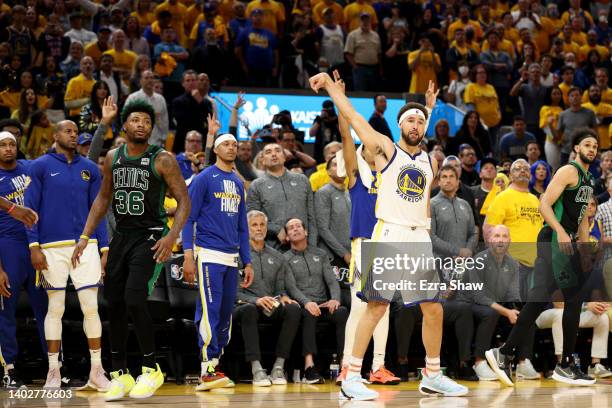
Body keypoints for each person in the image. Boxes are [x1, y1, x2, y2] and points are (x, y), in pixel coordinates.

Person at [310, 72, 468, 398]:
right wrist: (329, 86)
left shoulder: (430, 160)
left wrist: (429, 106)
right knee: (376, 307)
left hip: (418, 238)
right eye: (409, 120)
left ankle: (433, 374)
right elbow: (353, 118)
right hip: (388, 233)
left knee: (433, 308)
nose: (415, 124)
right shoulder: (383, 149)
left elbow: (423, 204)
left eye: (420, 121)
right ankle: (352, 377)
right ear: (399, 126)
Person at [73, 97, 190, 400]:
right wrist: (85, 237)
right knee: (114, 304)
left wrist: (171, 236)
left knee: (135, 299)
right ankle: (120, 374)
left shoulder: (162, 158)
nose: (141, 125)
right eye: (136, 120)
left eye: (147, 121)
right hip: (121, 237)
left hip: (150, 236)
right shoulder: (113, 157)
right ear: (124, 124)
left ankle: (151, 369)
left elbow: (184, 202)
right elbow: (102, 199)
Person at [486, 129, 600, 386]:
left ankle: (503, 352)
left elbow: (582, 217)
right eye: (587, 144)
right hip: (553, 237)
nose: (592, 149)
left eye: (595, 146)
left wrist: (584, 249)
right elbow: (544, 204)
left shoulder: (589, 179)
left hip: (568, 240)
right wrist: (560, 231)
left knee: (538, 301)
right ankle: (565, 364)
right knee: (573, 299)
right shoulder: (567, 171)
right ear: (576, 148)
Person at [25, 120, 110, 391]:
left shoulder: (89, 169)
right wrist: (33, 246)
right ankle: (53, 371)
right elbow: (29, 210)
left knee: (91, 307)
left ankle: (97, 370)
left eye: (75, 131)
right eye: (67, 131)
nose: (73, 135)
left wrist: (104, 248)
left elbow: (99, 210)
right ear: (55, 135)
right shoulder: (39, 166)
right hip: (51, 248)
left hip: (86, 246)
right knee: (56, 308)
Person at [334, 73, 399, 384]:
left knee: (382, 308)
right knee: (360, 307)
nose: (374, 151)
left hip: (387, 244)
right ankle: (347, 365)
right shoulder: (356, 177)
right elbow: (347, 136)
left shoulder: (391, 179)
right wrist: (339, 99)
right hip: (364, 243)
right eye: (368, 149)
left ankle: (377, 367)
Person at [182, 124, 253, 391]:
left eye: (235, 144)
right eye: (227, 144)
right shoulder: (204, 178)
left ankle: (215, 362)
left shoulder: (237, 181)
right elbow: (189, 218)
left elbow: (242, 227)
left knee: (225, 315)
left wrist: (247, 261)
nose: (232, 147)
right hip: (208, 254)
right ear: (215, 148)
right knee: (209, 312)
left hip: (232, 257)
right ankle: (206, 369)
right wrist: (188, 255)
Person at [0, 131, 47, 389]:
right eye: (3, 145)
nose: (8, 149)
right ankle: (10, 369)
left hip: (35, 245)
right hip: (7, 249)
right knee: (5, 311)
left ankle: (54, 367)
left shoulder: (30, 167)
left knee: (48, 310)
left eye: (11, 144)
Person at [233, 210, 300, 386]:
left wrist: (282, 297)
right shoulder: (237, 254)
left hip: (269, 306)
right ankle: (257, 369)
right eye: (254, 225)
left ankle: (278, 367)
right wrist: (256, 300)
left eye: (262, 224)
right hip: (244, 305)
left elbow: (279, 290)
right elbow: (232, 292)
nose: (259, 228)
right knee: (248, 310)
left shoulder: (277, 256)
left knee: (293, 309)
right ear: (246, 229)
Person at [284, 217, 348, 384]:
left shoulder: (320, 254)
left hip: (323, 304)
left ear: (306, 231)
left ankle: (344, 366)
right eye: (291, 228)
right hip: (304, 305)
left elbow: (332, 281)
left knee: (342, 313)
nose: (295, 229)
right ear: (287, 236)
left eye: (298, 226)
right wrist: (306, 302)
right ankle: (309, 368)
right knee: (308, 313)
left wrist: (335, 299)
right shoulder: (285, 258)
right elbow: (291, 287)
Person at [430, 164, 479, 380]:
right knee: (447, 310)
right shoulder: (431, 204)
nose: (448, 180)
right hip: (439, 269)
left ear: (458, 182)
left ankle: (463, 362)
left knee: (466, 310)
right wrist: (456, 251)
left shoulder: (465, 205)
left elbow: (474, 231)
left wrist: (468, 249)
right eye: (444, 176)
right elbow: (430, 237)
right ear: (439, 181)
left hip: (463, 269)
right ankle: (447, 364)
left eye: (452, 176)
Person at [456, 225, 521, 381]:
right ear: (489, 240)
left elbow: (513, 294)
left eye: (504, 236)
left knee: (524, 316)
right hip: (468, 303)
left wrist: (517, 311)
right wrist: (506, 312)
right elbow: (480, 297)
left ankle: (523, 363)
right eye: (497, 236)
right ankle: (479, 363)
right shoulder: (479, 260)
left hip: (492, 302)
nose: (501, 240)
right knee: (490, 313)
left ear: (510, 241)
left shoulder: (513, 264)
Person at [247, 143, 317, 250]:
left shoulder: (302, 180)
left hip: (304, 248)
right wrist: (276, 229)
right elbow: (251, 219)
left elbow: (311, 217)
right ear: (263, 160)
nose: (274, 154)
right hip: (272, 249)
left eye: (278, 151)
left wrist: (312, 246)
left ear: (284, 157)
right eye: (268, 152)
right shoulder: (256, 185)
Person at [124, 70, 169, 147]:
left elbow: (164, 120)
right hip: (136, 141)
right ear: (141, 81)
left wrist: (164, 138)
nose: (150, 80)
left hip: (156, 141)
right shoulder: (133, 98)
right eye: (146, 78)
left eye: (151, 78)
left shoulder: (160, 99)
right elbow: (125, 118)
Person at [557, 87, 597, 165]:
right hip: (566, 151)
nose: (575, 97)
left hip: (585, 151)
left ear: (581, 97)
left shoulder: (589, 113)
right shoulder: (563, 114)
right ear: (568, 98)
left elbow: (596, 132)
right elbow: (559, 133)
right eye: (572, 95)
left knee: (585, 175)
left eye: (577, 95)